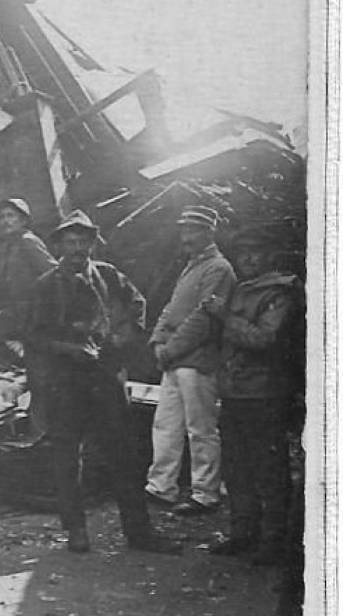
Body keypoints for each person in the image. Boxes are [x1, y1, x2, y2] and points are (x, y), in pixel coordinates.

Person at [25, 211, 182, 555]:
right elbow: (35, 337)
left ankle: (139, 533)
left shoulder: (109, 276)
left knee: (123, 455)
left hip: (106, 378)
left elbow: (138, 304)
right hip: (65, 381)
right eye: (70, 241)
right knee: (67, 458)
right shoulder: (46, 286)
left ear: (92, 244)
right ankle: (76, 530)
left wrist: (122, 337)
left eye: (84, 241)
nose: (78, 247)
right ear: (59, 246)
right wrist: (69, 348)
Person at [199, 225, 304, 563]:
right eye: (242, 252)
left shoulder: (280, 292)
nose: (247, 258)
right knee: (237, 468)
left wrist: (223, 315)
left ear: (269, 255)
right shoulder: (243, 290)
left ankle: (273, 542)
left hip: (265, 394)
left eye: (255, 251)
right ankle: (243, 533)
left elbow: (263, 338)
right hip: (236, 393)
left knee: (268, 470)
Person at [145, 204, 237, 516]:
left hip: (197, 360)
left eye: (194, 229)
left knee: (201, 428)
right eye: (184, 228)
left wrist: (169, 349)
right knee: (166, 425)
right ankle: (162, 487)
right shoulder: (191, 266)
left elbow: (203, 319)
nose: (186, 235)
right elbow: (171, 309)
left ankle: (205, 494)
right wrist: (158, 340)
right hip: (175, 359)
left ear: (209, 232)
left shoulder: (218, 268)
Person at [0, 198, 57, 434]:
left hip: (33, 313)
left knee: (40, 374)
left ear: (24, 220)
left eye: (11, 216)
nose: (6, 221)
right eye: (2, 217)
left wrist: (42, 306)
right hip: (16, 311)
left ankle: (41, 430)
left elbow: (52, 273)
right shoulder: (7, 246)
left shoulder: (28, 242)